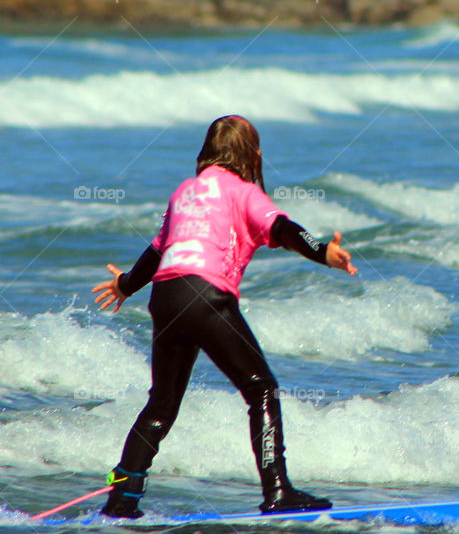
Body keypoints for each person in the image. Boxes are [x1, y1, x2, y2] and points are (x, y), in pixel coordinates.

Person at [92, 115, 358, 518]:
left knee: (161, 405)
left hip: (165, 296)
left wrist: (125, 285)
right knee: (262, 389)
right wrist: (322, 252)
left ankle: (122, 497)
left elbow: (157, 251)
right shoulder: (243, 190)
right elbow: (283, 228)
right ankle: (278, 490)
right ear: (252, 155)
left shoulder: (184, 191)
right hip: (205, 295)